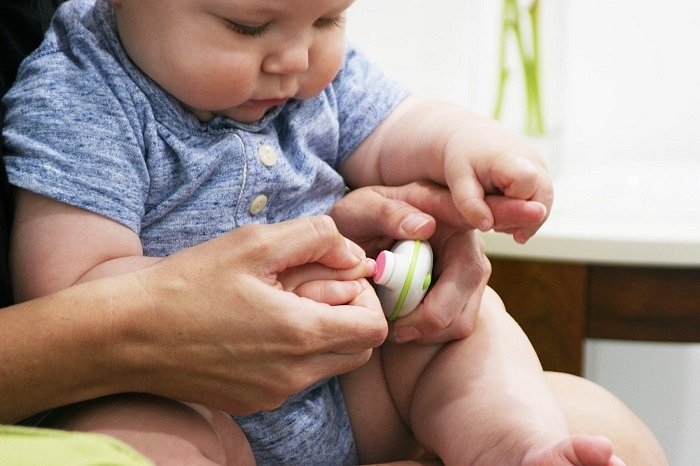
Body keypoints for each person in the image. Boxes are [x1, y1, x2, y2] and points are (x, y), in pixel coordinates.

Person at [0, 1, 668, 465]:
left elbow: (399, 125)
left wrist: (468, 146)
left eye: (329, 19)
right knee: (134, 440)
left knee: (468, 326)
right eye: (246, 25)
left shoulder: (309, 71)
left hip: (348, 383)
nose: (295, 58)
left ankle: (515, 450)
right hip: (182, 396)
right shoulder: (82, 90)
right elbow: (71, 287)